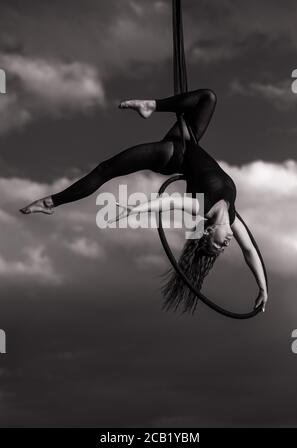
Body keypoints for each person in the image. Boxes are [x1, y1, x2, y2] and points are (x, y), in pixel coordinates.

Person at [20, 89, 268, 313]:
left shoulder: (202, 208)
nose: (225, 246)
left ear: (208, 232)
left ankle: (51, 203)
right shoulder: (232, 216)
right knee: (209, 97)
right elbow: (249, 252)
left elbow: (166, 203)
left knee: (106, 169)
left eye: (217, 247)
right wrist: (262, 288)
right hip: (189, 139)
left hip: (172, 156)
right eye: (222, 249)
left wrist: (133, 208)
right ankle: (151, 105)